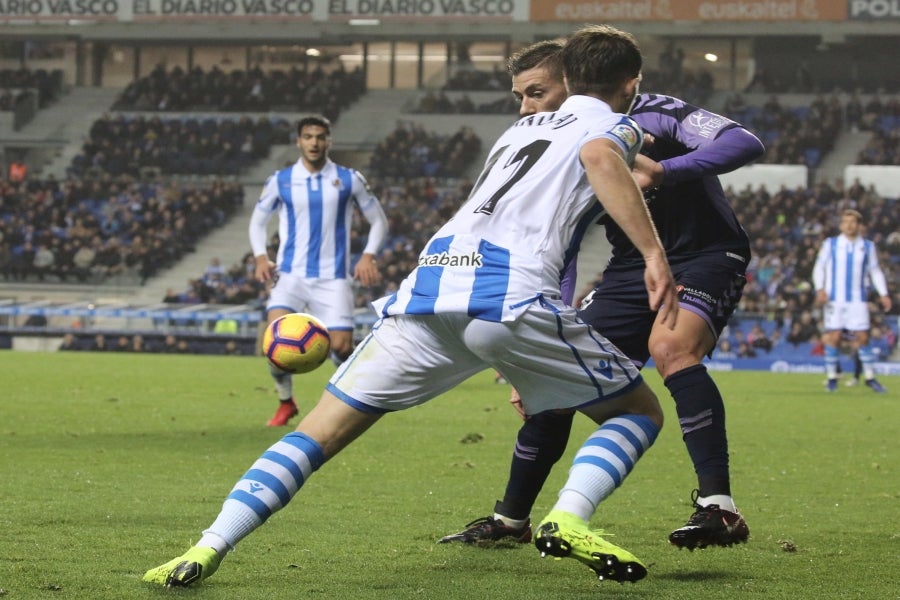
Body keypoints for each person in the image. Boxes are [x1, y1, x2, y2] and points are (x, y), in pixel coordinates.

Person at [144, 24, 679, 588]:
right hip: (507, 294)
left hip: (429, 285)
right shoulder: (615, 125)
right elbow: (599, 154)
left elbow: (580, 169)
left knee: (314, 435)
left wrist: (640, 170)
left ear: (566, 80)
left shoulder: (519, 132)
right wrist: (653, 254)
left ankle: (207, 546)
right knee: (637, 413)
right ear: (631, 83)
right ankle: (569, 516)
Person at [440, 37, 765, 551]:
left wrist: (666, 170)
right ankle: (511, 520)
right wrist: (546, 332)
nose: (526, 107)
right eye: (521, 97)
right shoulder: (562, 139)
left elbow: (743, 141)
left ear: (569, 83)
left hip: (704, 253)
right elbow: (562, 245)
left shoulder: (657, 113)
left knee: (671, 349)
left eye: (534, 92)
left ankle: (719, 508)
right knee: (559, 378)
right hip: (628, 268)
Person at [249, 115, 389, 426]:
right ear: (299, 141)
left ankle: (344, 408)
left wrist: (368, 255)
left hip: (333, 277)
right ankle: (286, 402)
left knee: (340, 347)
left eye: (320, 136)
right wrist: (261, 257)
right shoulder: (281, 180)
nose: (314, 142)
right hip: (289, 275)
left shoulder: (348, 178)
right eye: (308, 136)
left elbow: (378, 220)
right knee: (275, 343)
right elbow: (258, 221)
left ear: (329, 141)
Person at [813, 209, 891, 393]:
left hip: (858, 300)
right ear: (841, 225)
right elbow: (819, 267)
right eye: (846, 221)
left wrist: (884, 293)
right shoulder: (830, 244)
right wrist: (820, 289)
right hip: (834, 299)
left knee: (863, 337)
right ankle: (832, 378)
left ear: (859, 225)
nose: (849, 225)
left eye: (853, 222)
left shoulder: (868, 246)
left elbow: (875, 271)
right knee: (834, 336)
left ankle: (870, 377)